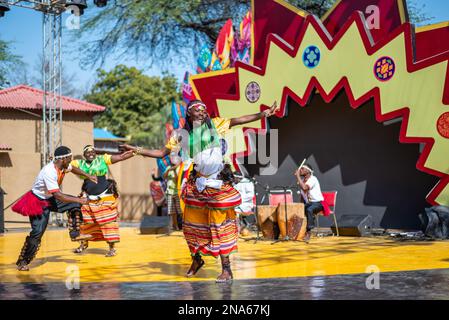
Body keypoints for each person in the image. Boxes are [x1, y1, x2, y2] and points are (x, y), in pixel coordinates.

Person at [121, 99, 278, 282]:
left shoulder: (216, 124)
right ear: (189, 113)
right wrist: (135, 150)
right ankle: (196, 260)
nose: (202, 111)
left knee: (220, 227)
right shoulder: (181, 135)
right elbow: (160, 153)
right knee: (190, 227)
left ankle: (226, 269)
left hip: (217, 185)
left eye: (204, 108)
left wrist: (263, 114)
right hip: (199, 185)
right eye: (197, 109)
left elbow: (240, 119)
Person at [12, 146, 96, 271]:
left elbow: (73, 169)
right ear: (63, 159)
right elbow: (59, 196)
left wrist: (88, 175)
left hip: (50, 198)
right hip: (38, 201)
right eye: (69, 158)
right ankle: (23, 261)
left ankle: (75, 234)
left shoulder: (63, 165)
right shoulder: (49, 172)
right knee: (37, 233)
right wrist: (81, 200)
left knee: (75, 204)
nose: (71, 160)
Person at [70, 145, 135, 257]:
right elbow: (66, 165)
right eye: (88, 152)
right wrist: (54, 160)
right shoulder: (79, 164)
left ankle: (112, 248)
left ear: (95, 153)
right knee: (85, 223)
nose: (90, 153)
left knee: (108, 224)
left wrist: (135, 151)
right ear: (84, 155)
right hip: (88, 199)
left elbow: (121, 157)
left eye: (93, 151)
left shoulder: (102, 159)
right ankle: (83, 244)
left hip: (105, 198)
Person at [294, 163, 324, 243]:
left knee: (309, 210)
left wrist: (297, 176)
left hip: (318, 203)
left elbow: (304, 188)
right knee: (297, 211)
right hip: (309, 203)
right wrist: (299, 206)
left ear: (308, 171)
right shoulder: (303, 181)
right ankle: (297, 231)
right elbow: (302, 196)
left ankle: (308, 231)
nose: (300, 170)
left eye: (302, 169)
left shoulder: (313, 179)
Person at [164, 152, 183, 230]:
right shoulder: (168, 167)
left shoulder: (179, 168)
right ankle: (175, 226)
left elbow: (178, 179)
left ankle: (183, 226)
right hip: (169, 192)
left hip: (177, 192)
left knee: (180, 210)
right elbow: (164, 176)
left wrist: (175, 170)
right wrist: (169, 170)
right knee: (172, 211)